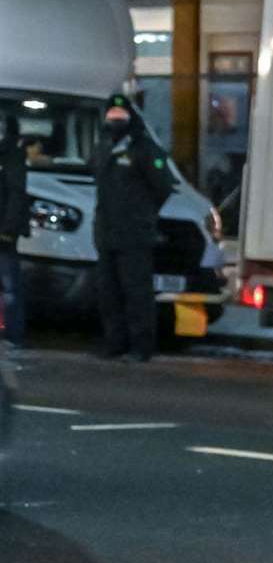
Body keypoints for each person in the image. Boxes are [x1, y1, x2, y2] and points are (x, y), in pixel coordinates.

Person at [91, 94, 175, 362]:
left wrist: (143, 213)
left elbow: (163, 185)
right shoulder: (103, 146)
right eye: (111, 115)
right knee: (109, 293)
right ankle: (115, 343)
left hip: (134, 234)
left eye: (120, 116)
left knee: (136, 292)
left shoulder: (143, 147)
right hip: (107, 233)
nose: (115, 120)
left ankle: (141, 346)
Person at [0, 112, 29, 345]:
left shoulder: (11, 154)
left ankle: (13, 334)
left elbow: (16, 194)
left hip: (3, 230)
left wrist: (8, 230)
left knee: (9, 285)